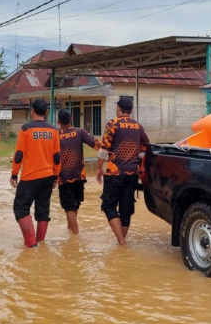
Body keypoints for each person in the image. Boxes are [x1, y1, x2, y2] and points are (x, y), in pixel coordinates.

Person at [96, 96, 150, 246]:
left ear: (118, 109)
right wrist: (138, 156)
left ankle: (121, 242)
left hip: (114, 174)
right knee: (126, 209)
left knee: (108, 205)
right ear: (131, 110)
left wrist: (99, 168)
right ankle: (121, 242)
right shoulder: (138, 126)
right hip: (132, 174)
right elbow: (146, 146)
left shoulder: (113, 124)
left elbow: (104, 148)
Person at [10, 99, 61, 248]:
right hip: (48, 176)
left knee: (20, 208)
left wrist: (14, 174)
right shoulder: (53, 130)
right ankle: (40, 243)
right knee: (43, 210)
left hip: (30, 176)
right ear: (46, 112)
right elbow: (57, 156)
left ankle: (31, 244)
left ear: (32, 111)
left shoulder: (26, 129)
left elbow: (19, 154)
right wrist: (56, 176)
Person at [56, 108, 99, 234]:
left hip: (63, 176)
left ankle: (75, 235)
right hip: (79, 175)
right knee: (75, 204)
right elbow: (96, 145)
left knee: (69, 206)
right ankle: (72, 229)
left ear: (58, 121)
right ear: (72, 119)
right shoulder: (79, 132)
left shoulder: (55, 135)